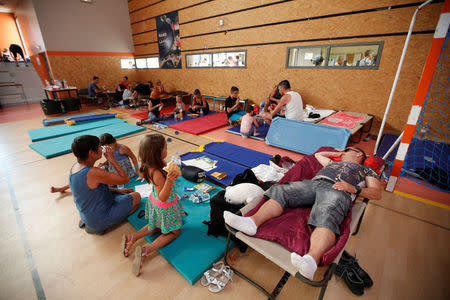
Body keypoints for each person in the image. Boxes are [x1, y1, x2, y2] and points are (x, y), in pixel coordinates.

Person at [224, 147, 381, 280]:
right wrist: (337, 152)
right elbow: (318, 155)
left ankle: (311, 260)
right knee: (281, 190)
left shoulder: (366, 170)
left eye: (348, 150)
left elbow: (376, 193)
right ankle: (252, 223)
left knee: (327, 214)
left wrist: (354, 189)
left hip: (338, 189)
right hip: (314, 183)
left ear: (359, 154)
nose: (344, 152)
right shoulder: (334, 163)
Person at [120, 134, 183, 276]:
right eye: (165, 148)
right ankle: (145, 251)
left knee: (156, 225)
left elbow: (144, 177)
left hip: (154, 203)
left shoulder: (147, 167)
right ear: (157, 152)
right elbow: (163, 197)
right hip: (164, 206)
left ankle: (133, 237)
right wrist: (169, 181)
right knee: (173, 232)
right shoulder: (158, 173)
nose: (167, 149)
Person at [69, 135, 141, 235]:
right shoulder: (93, 172)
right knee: (137, 197)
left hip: (87, 213)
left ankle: (89, 221)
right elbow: (125, 179)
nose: (102, 148)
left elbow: (91, 191)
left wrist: (118, 191)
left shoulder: (75, 167)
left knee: (119, 193)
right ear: (91, 152)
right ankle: (101, 225)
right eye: (99, 146)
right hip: (99, 218)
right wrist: (112, 159)